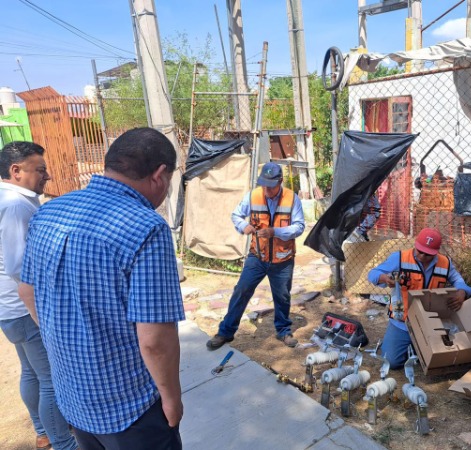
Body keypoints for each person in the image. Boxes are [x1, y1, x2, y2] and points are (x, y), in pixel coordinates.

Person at [18, 128, 185, 450]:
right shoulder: (146, 227)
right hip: (130, 406)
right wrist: (171, 398)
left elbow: (27, 292)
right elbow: (155, 340)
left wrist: (67, 344)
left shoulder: (50, 210)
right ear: (159, 175)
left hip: (73, 396)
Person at [0, 142, 78, 450]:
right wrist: (40, 312)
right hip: (24, 308)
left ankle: (43, 431)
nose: (47, 176)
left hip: (10, 308)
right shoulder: (16, 206)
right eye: (40, 170)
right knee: (51, 379)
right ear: (16, 171)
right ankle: (62, 442)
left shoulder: (9, 199)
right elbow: (20, 267)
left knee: (32, 373)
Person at [207, 162, 305, 350]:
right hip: (257, 256)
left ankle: (283, 330)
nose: (266, 190)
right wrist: (244, 226)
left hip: (282, 259)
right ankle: (225, 332)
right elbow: (236, 215)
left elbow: (299, 227)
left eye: (271, 186)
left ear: (280, 181)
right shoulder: (252, 196)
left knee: (282, 296)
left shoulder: (292, 199)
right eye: (264, 185)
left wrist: (275, 231)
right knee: (241, 290)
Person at [368, 227, 471, 369]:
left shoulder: (445, 263)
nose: (423, 256)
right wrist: (384, 278)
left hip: (430, 322)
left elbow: (459, 281)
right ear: (415, 244)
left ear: (436, 252)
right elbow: (373, 274)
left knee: (437, 360)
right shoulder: (399, 258)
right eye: (420, 251)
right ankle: (400, 344)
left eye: (428, 254)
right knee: (391, 362)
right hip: (402, 320)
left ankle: (414, 347)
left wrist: (462, 292)